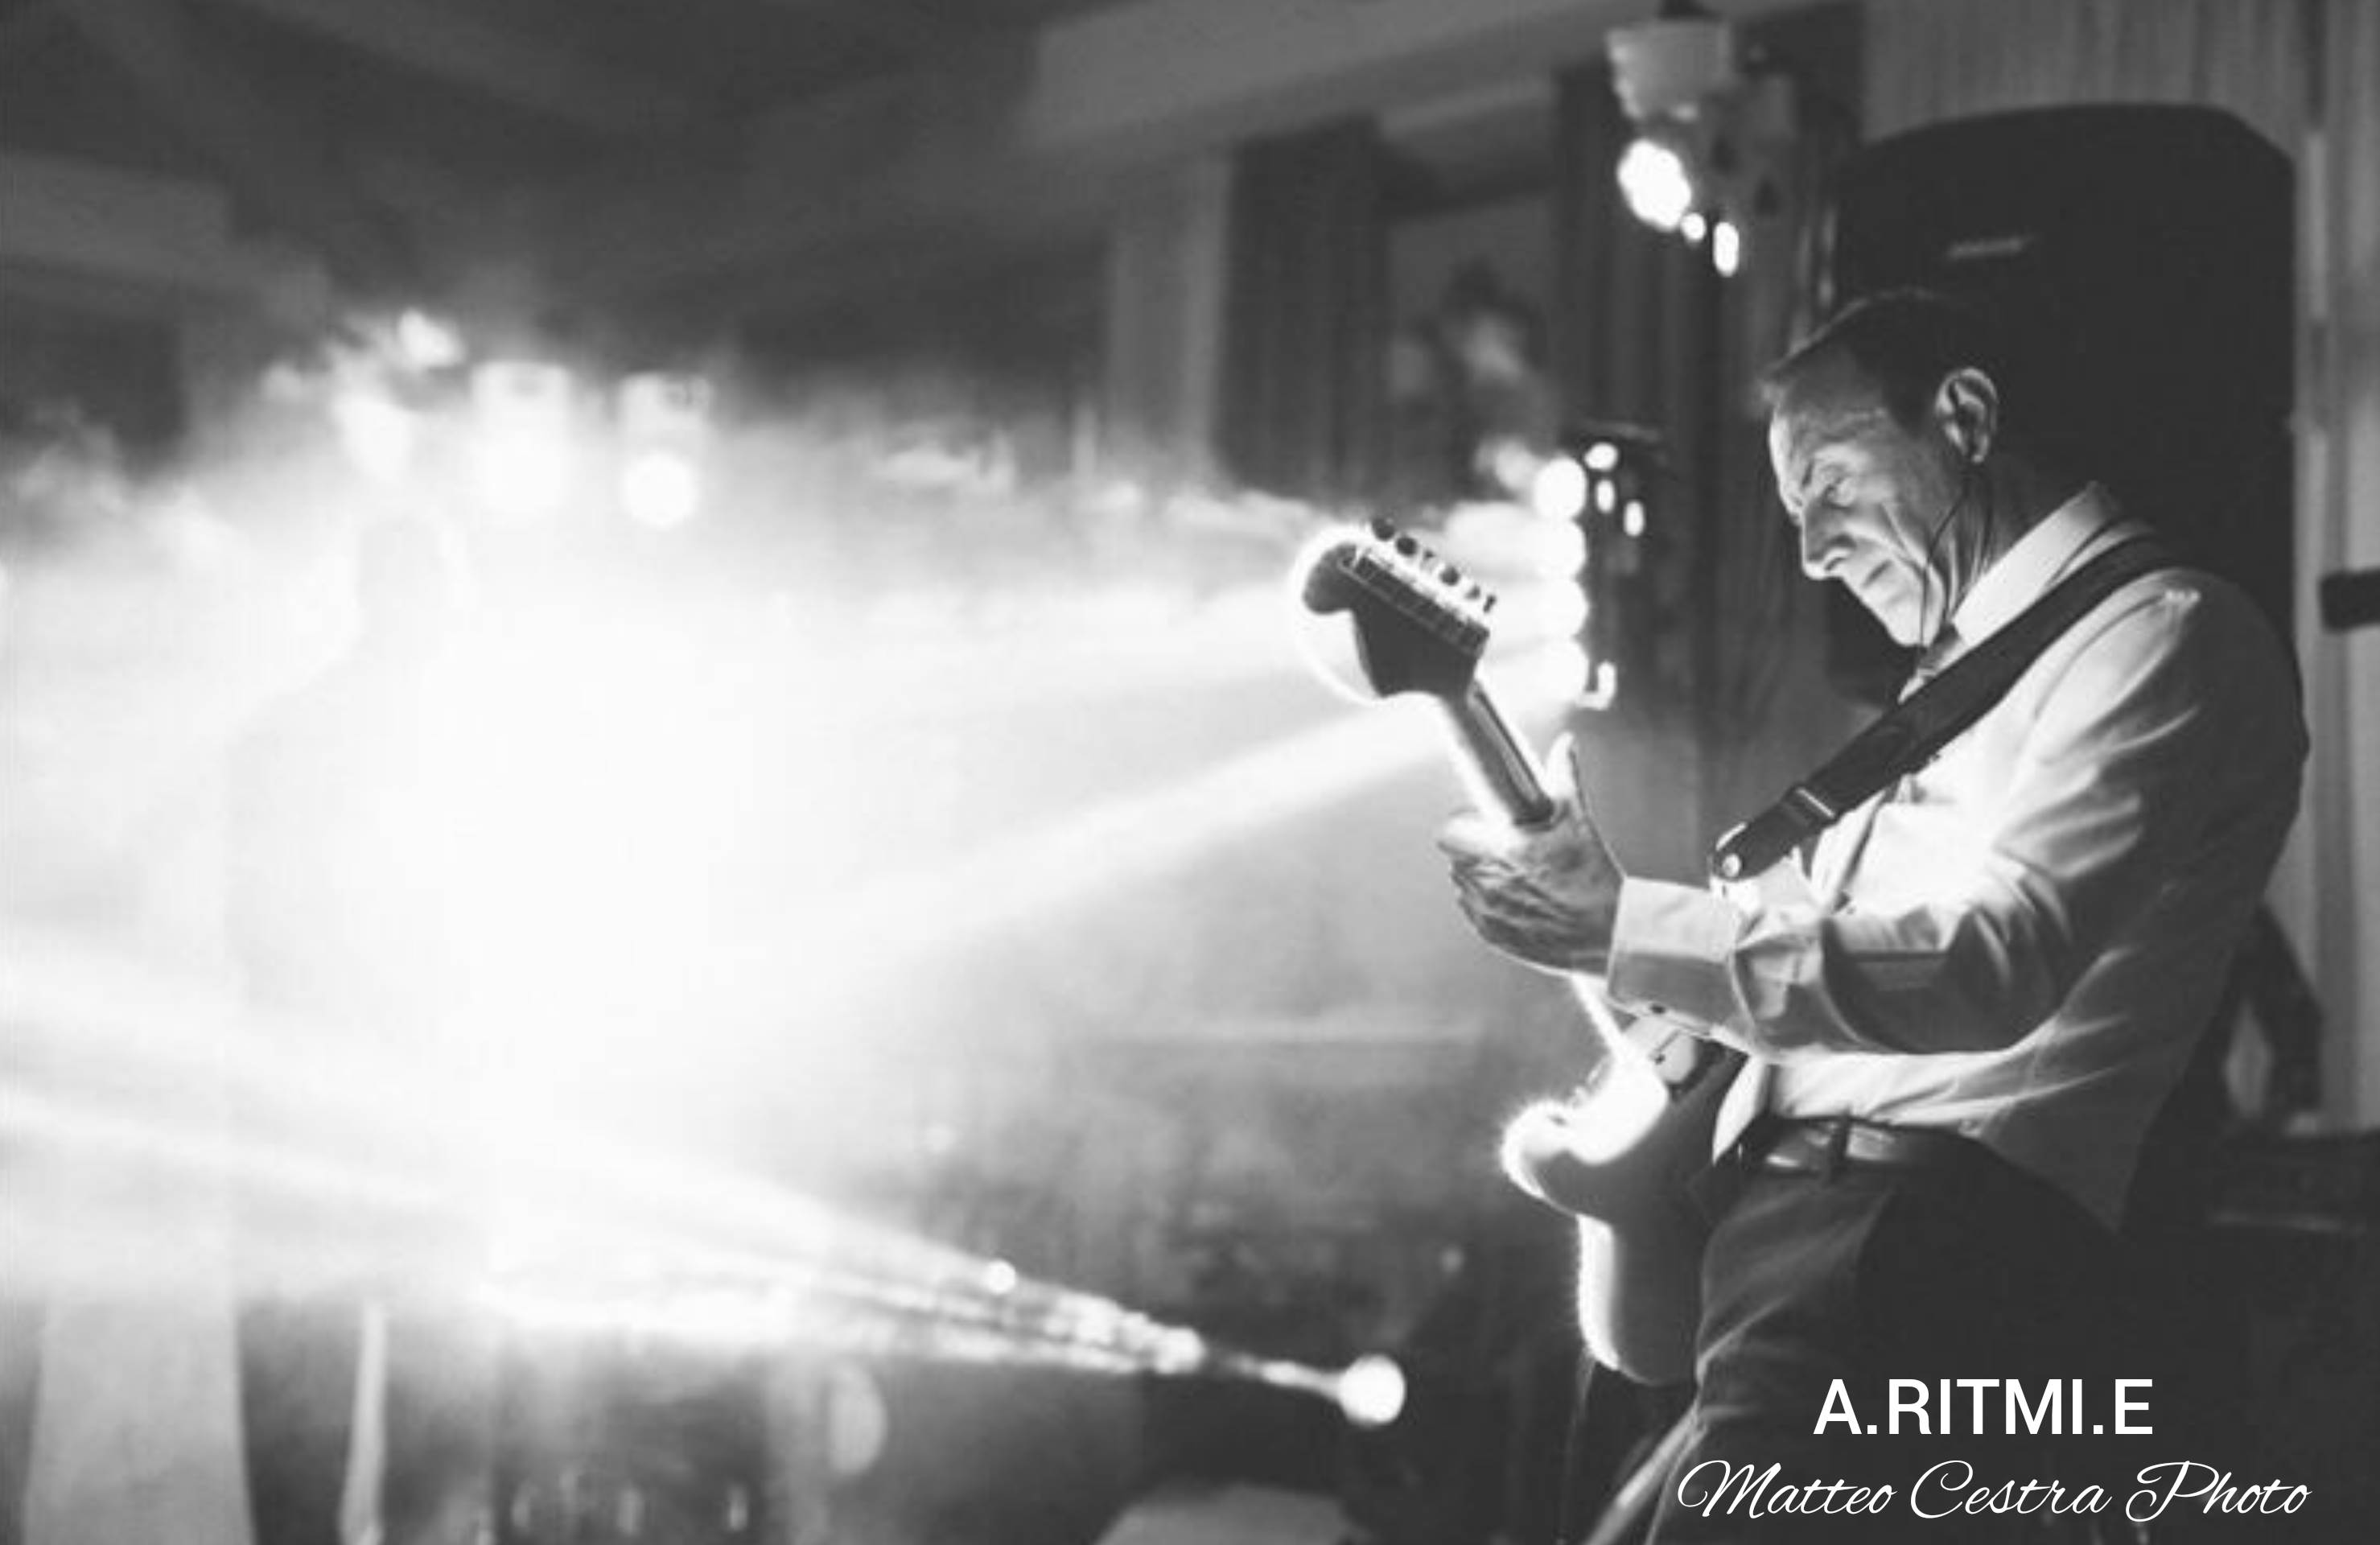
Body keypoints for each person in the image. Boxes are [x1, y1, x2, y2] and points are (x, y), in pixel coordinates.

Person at [1438, 290, 2306, 1541]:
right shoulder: (1960, 687)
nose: (1810, 552)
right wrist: (1599, 920)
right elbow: (1769, 1006)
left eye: (1830, 486)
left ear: (1963, 418)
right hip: (1826, 1245)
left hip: (1912, 1243)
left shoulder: (2158, 635)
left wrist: (1620, 927)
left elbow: (1991, 965)